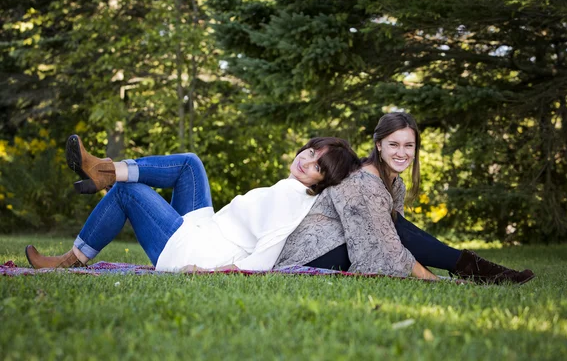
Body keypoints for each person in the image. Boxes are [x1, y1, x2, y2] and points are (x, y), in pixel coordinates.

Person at [25, 135, 361, 272]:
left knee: (129, 191)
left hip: (195, 251)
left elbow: (268, 252)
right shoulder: (292, 187)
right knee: (190, 164)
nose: (307, 160)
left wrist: (220, 271)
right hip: (204, 228)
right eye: (312, 151)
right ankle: (105, 171)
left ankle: (70, 258)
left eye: (318, 166)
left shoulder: (293, 199)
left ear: (323, 180)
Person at [275, 112, 535, 284]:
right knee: (394, 227)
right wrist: (433, 279)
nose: (402, 153)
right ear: (379, 145)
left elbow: (398, 238)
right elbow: (382, 246)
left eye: (408, 146)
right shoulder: (362, 181)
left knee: (396, 224)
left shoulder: (393, 184)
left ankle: (478, 269)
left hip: (339, 248)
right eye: (393, 145)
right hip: (310, 256)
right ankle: (480, 270)